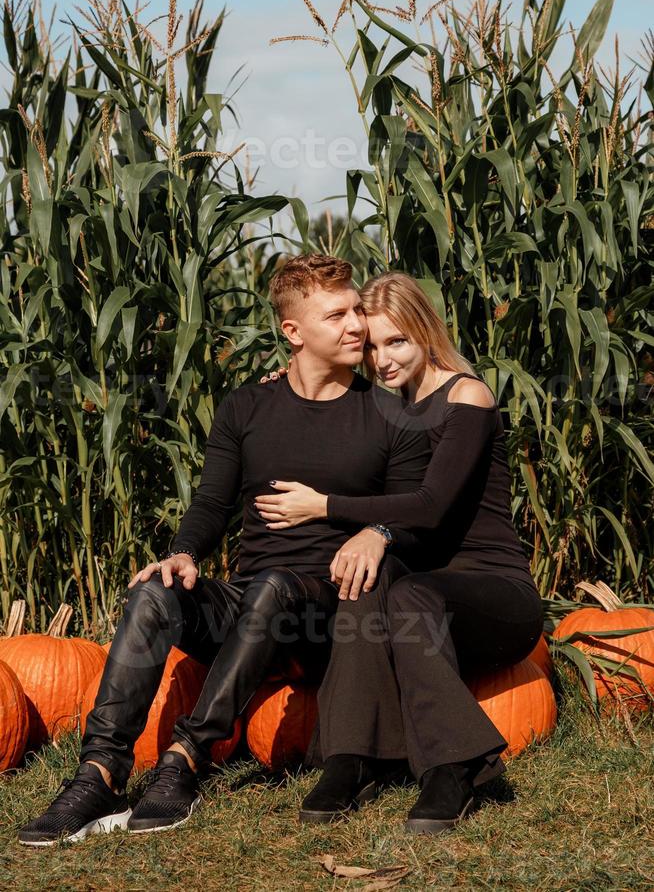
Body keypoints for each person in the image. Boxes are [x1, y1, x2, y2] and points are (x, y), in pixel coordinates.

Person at [18, 255, 433, 847]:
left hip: (329, 619)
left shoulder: (389, 411)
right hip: (250, 611)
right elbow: (213, 502)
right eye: (336, 314)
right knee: (155, 590)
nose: (356, 326)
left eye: (356, 312)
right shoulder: (247, 406)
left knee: (272, 587)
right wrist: (184, 552)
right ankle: (98, 772)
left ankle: (187, 756)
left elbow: (416, 512)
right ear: (292, 331)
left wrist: (381, 532)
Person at [255, 271, 544, 835]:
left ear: (425, 332)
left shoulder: (467, 394)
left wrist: (335, 511)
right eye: (372, 346)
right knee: (366, 577)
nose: (383, 360)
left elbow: (432, 505)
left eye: (398, 342)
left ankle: (454, 765)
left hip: (496, 596)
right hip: (423, 590)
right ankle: (350, 759)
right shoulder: (387, 412)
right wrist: (285, 383)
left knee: (403, 584)